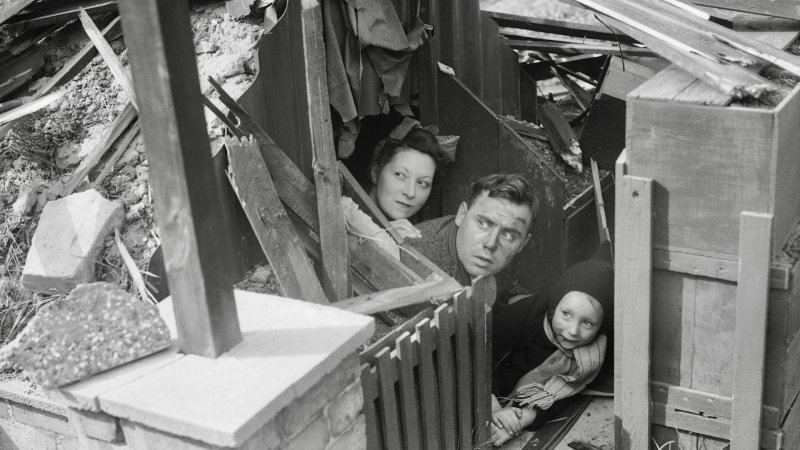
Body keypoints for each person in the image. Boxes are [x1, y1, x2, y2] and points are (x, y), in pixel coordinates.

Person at [489, 258, 613, 446]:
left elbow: (569, 394)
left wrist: (525, 417)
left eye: (587, 323)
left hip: (517, 408)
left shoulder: (594, 355)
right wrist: (492, 408)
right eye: (566, 314)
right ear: (555, 305)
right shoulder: (526, 315)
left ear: (600, 326)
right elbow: (479, 357)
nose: (573, 331)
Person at [407, 173, 538, 298]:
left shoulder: (484, 255)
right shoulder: (417, 258)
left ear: (522, 244)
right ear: (462, 215)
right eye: (483, 223)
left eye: (508, 235)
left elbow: (505, 289)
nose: (491, 244)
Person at [368, 127, 449, 239]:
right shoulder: (341, 210)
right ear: (375, 173)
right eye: (400, 175)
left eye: (422, 183)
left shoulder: (419, 234)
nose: (410, 193)